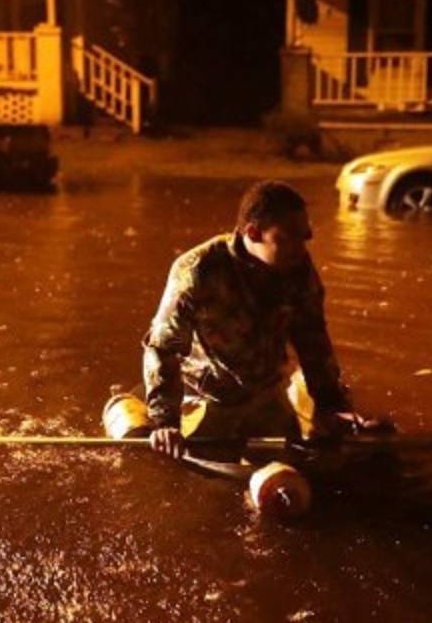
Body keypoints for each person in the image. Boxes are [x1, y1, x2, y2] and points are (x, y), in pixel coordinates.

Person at [142, 180, 383, 459]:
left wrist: (332, 407)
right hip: (209, 399)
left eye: (304, 237)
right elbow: (163, 348)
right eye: (287, 239)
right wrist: (165, 422)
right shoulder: (198, 270)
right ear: (253, 233)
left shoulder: (298, 268)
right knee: (198, 470)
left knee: (312, 460)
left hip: (267, 395)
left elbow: (313, 341)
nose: (300, 249)